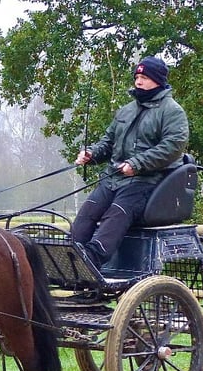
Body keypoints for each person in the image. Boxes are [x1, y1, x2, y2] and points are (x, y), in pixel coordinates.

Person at [72, 55, 190, 268]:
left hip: (148, 181)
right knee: (88, 210)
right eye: (137, 76)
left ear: (157, 80)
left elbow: (173, 147)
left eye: (144, 77)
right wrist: (91, 154)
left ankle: (92, 260)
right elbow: (108, 142)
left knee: (117, 212)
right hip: (114, 178)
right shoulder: (126, 110)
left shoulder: (172, 111)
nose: (138, 81)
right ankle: (72, 255)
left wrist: (137, 164)